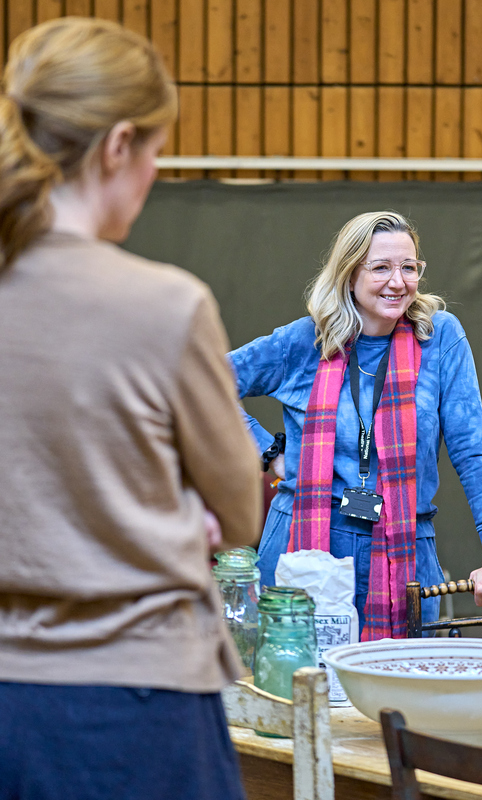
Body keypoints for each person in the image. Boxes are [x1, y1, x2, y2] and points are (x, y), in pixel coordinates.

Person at [0, 17, 260, 800]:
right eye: (154, 153)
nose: (152, 176)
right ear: (118, 146)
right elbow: (240, 512)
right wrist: (177, 506)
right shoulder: (166, 307)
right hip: (140, 707)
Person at [229, 210, 482, 640]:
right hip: (304, 541)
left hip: (405, 549)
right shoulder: (304, 341)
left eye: (408, 267)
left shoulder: (440, 338)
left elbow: (471, 452)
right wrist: (268, 452)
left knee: (400, 695)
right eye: (381, 267)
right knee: (301, 690)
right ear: (348, 273)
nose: (398, 282)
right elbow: (202, 385)